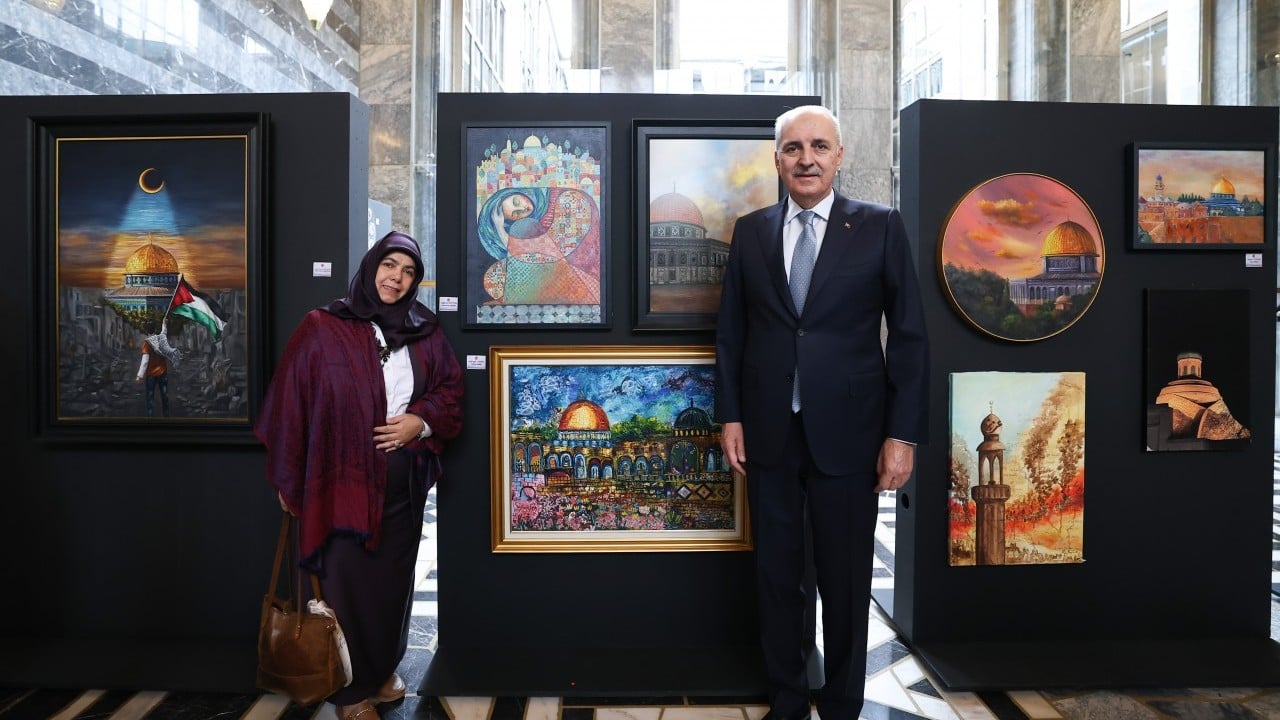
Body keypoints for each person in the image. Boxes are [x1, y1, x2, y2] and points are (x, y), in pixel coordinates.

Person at [714, 105, 928, 720]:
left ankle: (841, 704)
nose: (805, 159)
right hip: (769, 432)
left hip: (853, 436)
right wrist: (732, 416)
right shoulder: (750, 231)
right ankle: (786, 699)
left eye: (818, 147)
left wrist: (902, 435)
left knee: (844, 579)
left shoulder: (881, 227)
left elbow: (909, 336)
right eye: (792, 148)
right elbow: (732, 333)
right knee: (778, 579)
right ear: (776, 158)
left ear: (840, 156)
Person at [255, 231, 464, 720]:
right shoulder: (322, 327)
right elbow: (290, 403)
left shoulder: (425, 331)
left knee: (388, 591)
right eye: (390, 265)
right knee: (341, 587)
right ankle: (348, 694)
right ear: (371, 266)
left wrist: (421, 420)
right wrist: (291, 481)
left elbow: (451, 391)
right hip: (335, 488)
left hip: (399, 491)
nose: (398, 278)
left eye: (409, 271)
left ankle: (375, 671)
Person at [135, 320, 174, 417]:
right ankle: (166, 416)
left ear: (146, 331)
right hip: (162, 373)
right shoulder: (161, 339)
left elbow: (145, 361)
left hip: (151, 375)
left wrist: (139, 376)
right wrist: (164, 323)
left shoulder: (147, 343)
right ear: (155, 329)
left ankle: (150, 417)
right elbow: (164, 332)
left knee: (150, 397)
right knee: (164, 396)